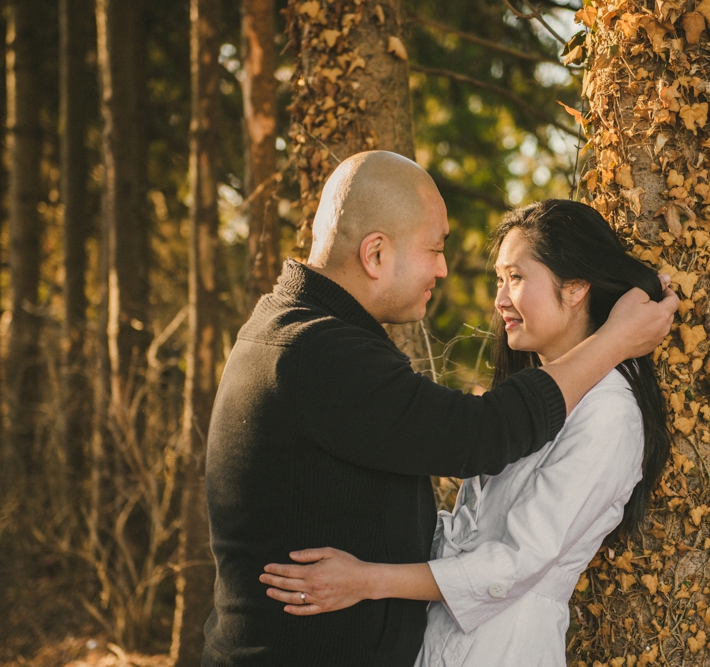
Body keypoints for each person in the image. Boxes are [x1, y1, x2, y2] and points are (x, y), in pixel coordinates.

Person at [201, 152, 678, 667]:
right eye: (434, 248)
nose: (445, 269)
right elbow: (481, 438)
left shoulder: (608, 413)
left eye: (514, 276)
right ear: (376, 254)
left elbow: (514, 557)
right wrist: (615, 340)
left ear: (577, 288)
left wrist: (369, 579)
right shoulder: (317, 350)